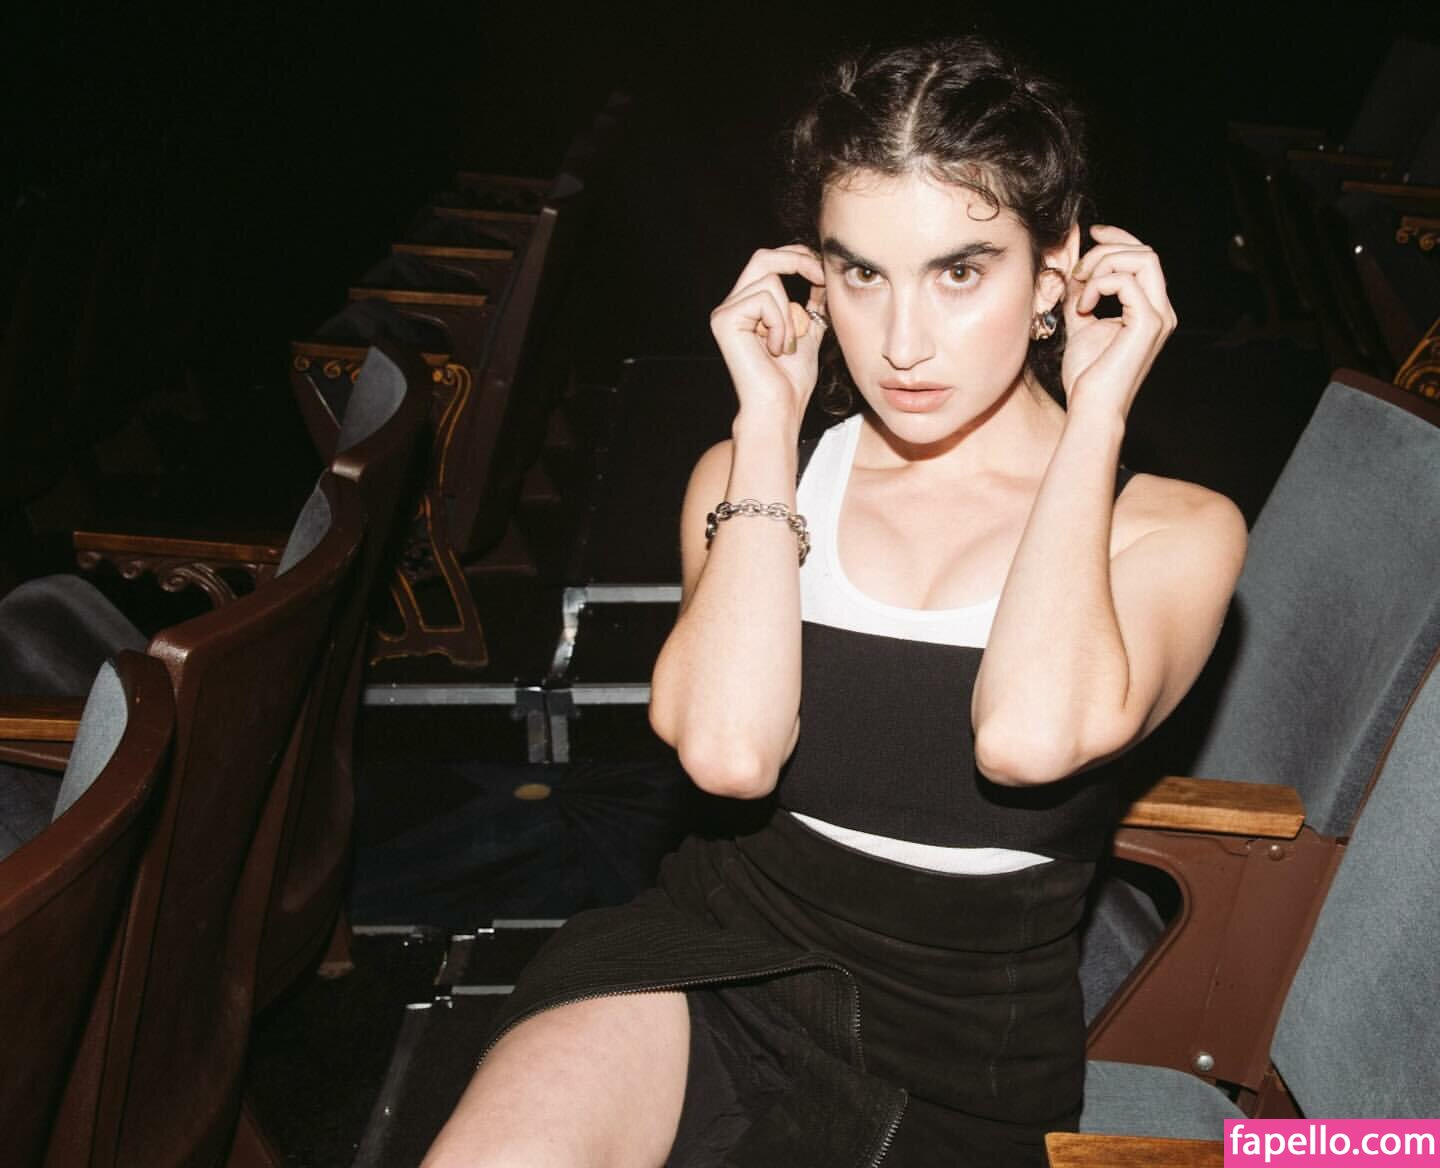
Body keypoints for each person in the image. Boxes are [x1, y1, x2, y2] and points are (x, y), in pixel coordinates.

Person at [423, 35, 1245, 1168]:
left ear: (1056, 274)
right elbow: (729, 756)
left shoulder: (1172, 529)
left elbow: (1027, 740)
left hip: (956, 1056)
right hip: (707, 959)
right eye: (862, 274)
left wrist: (1094, 418)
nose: (901, 344)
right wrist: (767, 423)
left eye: (960, 273)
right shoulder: (749, 476)